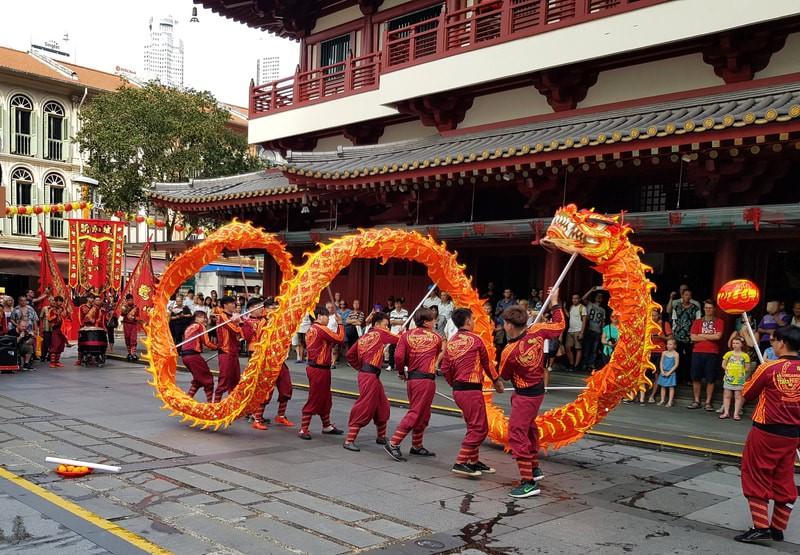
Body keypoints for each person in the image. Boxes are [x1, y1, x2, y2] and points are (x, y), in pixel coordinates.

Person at [735, 326, 800, 543]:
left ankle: (761, 526)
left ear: (782, 343)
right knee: (783, 477)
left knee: (755, 475)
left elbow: (747, 392)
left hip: (766, 431)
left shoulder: (769, 368)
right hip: (792, 434)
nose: (771, 344)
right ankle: (778, 527)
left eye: (772, 340)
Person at [499, 291, 565, 498]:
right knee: (529, 429)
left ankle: (528, 482)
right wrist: (554, 302)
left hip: (525, 394)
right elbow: (560, 325)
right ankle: (534, 468)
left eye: (504, 323)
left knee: (516, 433)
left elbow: (505, 375)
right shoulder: (538, 330)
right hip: (537, 390)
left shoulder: (509, 351)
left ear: (509, 325)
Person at [441, 308, 504, 477]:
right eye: (473, 319)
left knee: (472, 425)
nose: (474, 322)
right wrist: (497, 381)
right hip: (471, 390)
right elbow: (487, 363)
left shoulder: (452, 341)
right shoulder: (476, 340)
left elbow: (445, 368)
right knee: (480, 428)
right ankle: (461, 462)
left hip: (459, 390)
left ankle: (473, 461)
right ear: (468, 322)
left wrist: (454, 383)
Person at [385, 308, 442, 461]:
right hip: (425, 380)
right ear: (426, 322)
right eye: (433, 319)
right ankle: (394, 442)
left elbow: (398, 356)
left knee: (423, 413)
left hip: (413, 378)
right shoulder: (436, 338)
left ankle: (416, 445)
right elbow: (437, 355)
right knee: (416, 412)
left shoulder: (406, 335)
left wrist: (401, 372)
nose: (435, 322)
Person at [343, 312, 399, 451]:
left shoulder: (364, 336)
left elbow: (350, 354)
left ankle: (381, 436)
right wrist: (402, 334)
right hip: (369, 375)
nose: (387, 328)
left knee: (382, 404)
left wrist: (359, 367)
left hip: (368, 374)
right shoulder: (379, 333)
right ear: (377, 324)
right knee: (364, 405)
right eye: (386, 325)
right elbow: (399, 340)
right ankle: (349, 440)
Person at [299, 307, 346, 439]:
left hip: (318, 368)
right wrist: (340, 323)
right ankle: (303, 429)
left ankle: (326, 425)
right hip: (319, 369)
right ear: (319, 316)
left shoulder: (312, 329)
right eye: (327, 316)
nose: (328, 318)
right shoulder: (321, 329)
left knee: (325, 398)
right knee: (315, 397)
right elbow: (340, 339)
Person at [687, 300, 724, 411]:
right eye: (706, 308)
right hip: (697, 352)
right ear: (703, 309)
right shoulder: (697, 322)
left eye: (710, 308)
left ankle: (708, 402)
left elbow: (718, 337)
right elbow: (693, 337)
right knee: (696, 377)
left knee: (710, 378)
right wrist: (709, 335)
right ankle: (697, 400)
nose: (708, 310)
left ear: (714, 309)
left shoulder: (719, 321)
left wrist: (701, 335)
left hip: (712, 352)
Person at [181, 310, 218, 402]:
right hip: (193, 356)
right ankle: (210, 405)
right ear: (196, 318)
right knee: (208, 380)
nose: (204, 319)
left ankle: (187, 401)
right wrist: (218, 347)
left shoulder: (189, 327)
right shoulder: (200, 326)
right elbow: (207, 342)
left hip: (185, 356)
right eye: (202, 317)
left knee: (198, 379)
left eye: (205, 317)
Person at [213, 296, 243, 403]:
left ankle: (232, 405)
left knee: (235, 380)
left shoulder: (233, 316)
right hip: (226, 351)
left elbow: (240, 334)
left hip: (234, 351)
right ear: (225, 305)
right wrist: (240, 324)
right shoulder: (222, 316)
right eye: (232, 303)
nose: (234, 305)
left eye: (234, 303)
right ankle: (216, 406)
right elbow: (234, 329)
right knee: (224, 379)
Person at [641, 308, 671, 404]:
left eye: (655, 315)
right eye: (651, 315)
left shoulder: (664, 324)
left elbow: (670, 338)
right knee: (644, 374)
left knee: (657, 374)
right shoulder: (647, 324)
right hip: (648, 351)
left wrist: (662, 337)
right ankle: (642, 395)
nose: (653, 317)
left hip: (660, 352)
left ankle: (652, 395)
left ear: (659, 315)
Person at [720, 337, 750, 421]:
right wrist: (729, 369)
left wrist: (740, 370)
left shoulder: (745, 355)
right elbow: (723, 365)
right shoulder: (728, 354)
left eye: (737, 343)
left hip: (739, 378)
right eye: (733, 343)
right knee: (727, 395)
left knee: (738, 396)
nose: (735, 345)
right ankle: (726, 412)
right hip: (729, 377)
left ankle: (736, 413)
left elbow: (747, 368)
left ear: (742, 344)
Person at [581, 287, 606, 370]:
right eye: (598, 296)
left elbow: (603, 322)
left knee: (594, 350)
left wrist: (602, 333)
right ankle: (584, 364)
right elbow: (583, 299)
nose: (599, 297)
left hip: (597, 331)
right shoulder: (590, 304)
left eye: (601, 296)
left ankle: (590, 364)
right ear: (595, 297)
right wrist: (591, 290)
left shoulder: (603, 310)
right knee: (587, 348)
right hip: (589, 329)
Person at [564, 294, 587, 371]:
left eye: (576, 298)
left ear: (579, 299)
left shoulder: (582, 308)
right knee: (567, 347)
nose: (574, 300)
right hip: (570, 330)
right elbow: (569, 317)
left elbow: (584, 320)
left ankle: (576, 366)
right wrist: (564, 308)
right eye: (573, 298)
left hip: (578, 330)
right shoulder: (571, 307)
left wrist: (582, 332)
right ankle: (571, 364)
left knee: (578, 348)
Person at [387, 298, 408, 371]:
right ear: (395, 305)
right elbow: (391, 322)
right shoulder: (392, 312)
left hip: (402, 333)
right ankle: (390, 365)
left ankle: (405, 365)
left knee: (403, 349)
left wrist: (396, 321)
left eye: (399, 303)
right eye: (396, 304)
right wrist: (400, 321)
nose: (398, 305)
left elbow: (405, 322)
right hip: (394, 333)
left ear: (401, 304)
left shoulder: (405, 312)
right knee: (391, 349)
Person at [46, 296, 67, 368]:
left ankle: (57, 361)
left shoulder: (63, 309)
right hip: (56, 329)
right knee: (55, 345)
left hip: (63, 329)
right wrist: (57, 315)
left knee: (61, 345)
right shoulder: (52, 310)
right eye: (57, 301)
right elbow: (49, 319)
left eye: (60, 301)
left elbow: (66, 318)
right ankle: (52, 362)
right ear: (55, 302)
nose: (59, 303)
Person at [657, 338, 678, 407]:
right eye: (667, 344)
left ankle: (670, 401)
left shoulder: (676, 354)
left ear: (674, 346)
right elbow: (661, 362)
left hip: (671, 373)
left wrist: (670, 372)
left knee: (671, 387)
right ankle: (662, 400)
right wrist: (662, 370)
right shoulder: (664, 353)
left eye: (670, 344)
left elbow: (676, 364)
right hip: (663, 371)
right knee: (663, 386)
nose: (668, 346)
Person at [120, 295, 142, 361]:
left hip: (133, 325)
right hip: (126, 324)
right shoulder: (124, 307)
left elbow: (138, 317)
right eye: (129, 300)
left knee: (133, 339)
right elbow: (122, 314)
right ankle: (129, 353)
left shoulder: (136, 308)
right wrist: (124, 308)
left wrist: (134, 318)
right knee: (127, 338)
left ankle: (133, 354)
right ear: (126, 300)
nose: (130, 301)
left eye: (131, 300)